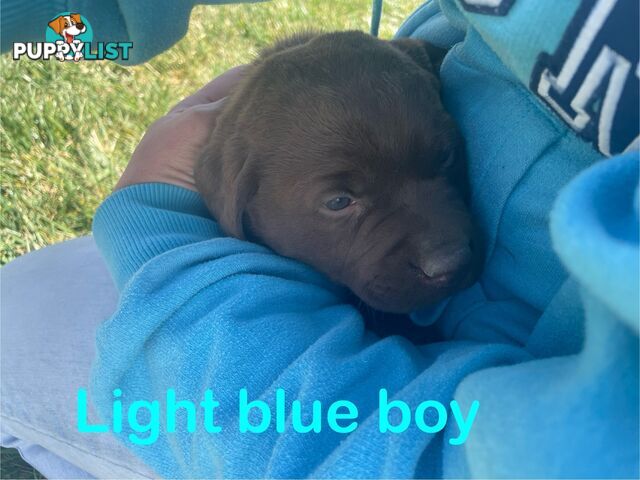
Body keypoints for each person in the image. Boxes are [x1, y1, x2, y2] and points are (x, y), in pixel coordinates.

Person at [2, 0, 638, 478]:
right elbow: (99, 17)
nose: (446, 248)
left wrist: (158, 228)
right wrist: (44, 38)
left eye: (441, 159)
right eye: (342, 200)